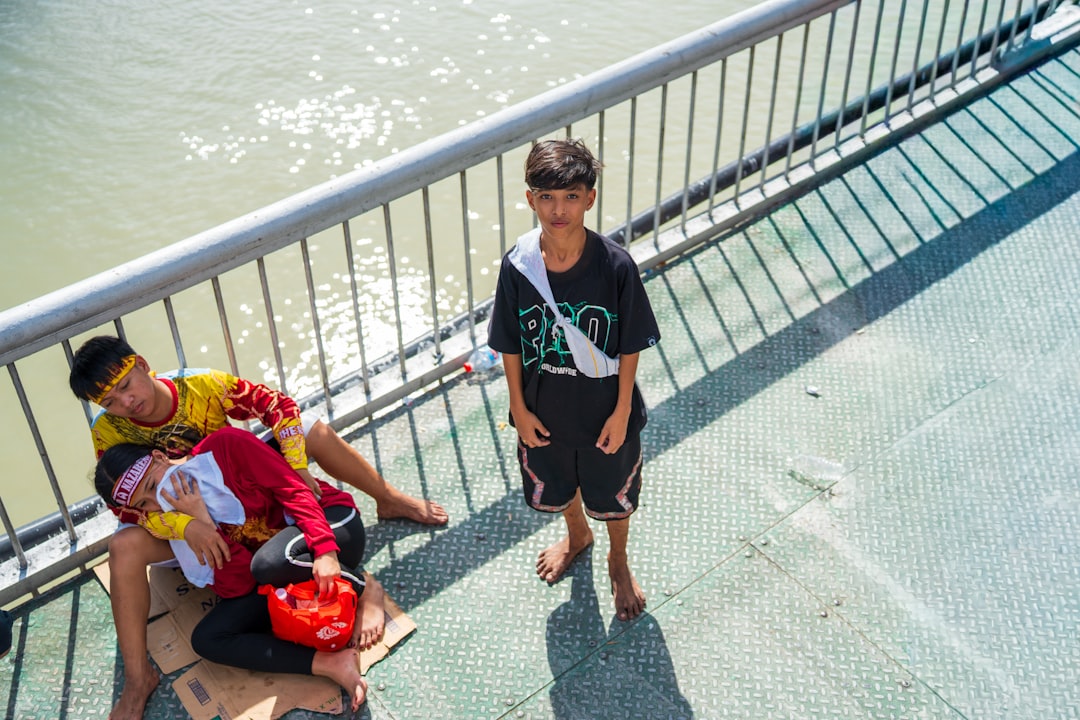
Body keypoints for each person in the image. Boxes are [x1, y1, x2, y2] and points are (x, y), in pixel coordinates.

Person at [68, 335, 446, 720]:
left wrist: (296, 468)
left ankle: (381, 527)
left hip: (254, 490)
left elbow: (279, 411)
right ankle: (139, 677)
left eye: (126, 386)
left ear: (143, 365)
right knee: (174, 595)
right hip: (207, 523)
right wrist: (192, 524)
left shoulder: (209, 403)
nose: (125, 404)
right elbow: (131, 509)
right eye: (110, 401)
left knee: (307, 434)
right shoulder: (110, 433)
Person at [487, 139, 661, 622]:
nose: (557, 210)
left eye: (570, 197)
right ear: (530, 200)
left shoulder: (616, 266)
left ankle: (618, 559)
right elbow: (510, 343)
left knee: (615, 494)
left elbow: (630, 345)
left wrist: (623, 410)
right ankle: (578, 535)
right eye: (546, 197)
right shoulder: (519, 265)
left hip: (606, 409)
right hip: (543, 410)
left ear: (590, 198)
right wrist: (518, 409)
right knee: (561, 486)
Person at [93, 426, 383, 713]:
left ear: (159, 457)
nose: (159, 502)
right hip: (279, 569)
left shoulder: (225, 447)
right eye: (145, 504)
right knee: (207, 639)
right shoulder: (177, 525)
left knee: (270, 563)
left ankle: (364, 587)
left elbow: (294, 490)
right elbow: (241, 584)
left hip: (328, 527)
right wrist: (203, 523)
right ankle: (329, 663)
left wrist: (325, 550)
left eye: (153, 486)